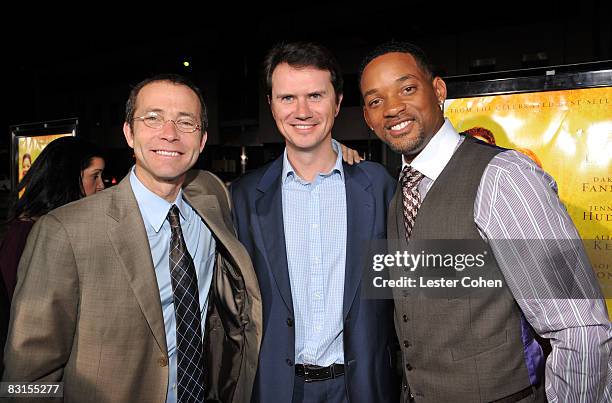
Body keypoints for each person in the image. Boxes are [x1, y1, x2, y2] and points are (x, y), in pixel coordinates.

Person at [359, 41, 612, 402]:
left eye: (408, 88)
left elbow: (580, 330)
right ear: (368, 118)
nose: (393, 108)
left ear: (438, 90)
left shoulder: (504, 178)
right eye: (375, 101)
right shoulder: (399, 191)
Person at [3, 74, 262, 403]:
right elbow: (24, 380)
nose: (169, 134)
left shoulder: (211, 198)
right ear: (129, 132)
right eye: (152, 118)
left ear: (202, 140)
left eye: (186, 122)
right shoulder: (63, 232)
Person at [231, 42, 399, 403]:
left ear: (337, 103)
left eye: (315, 96)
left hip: (363, 387)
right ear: (272, 105)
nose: (302, 111)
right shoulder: (243, 196)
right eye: (288, 97)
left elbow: (407, 291)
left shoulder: (379, 185)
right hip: (276, 388)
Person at [0, 136, 105, 302]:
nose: (101, 185)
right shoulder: (30, 231)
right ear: (68, 178)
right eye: (95, 176)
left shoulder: (52, 225)